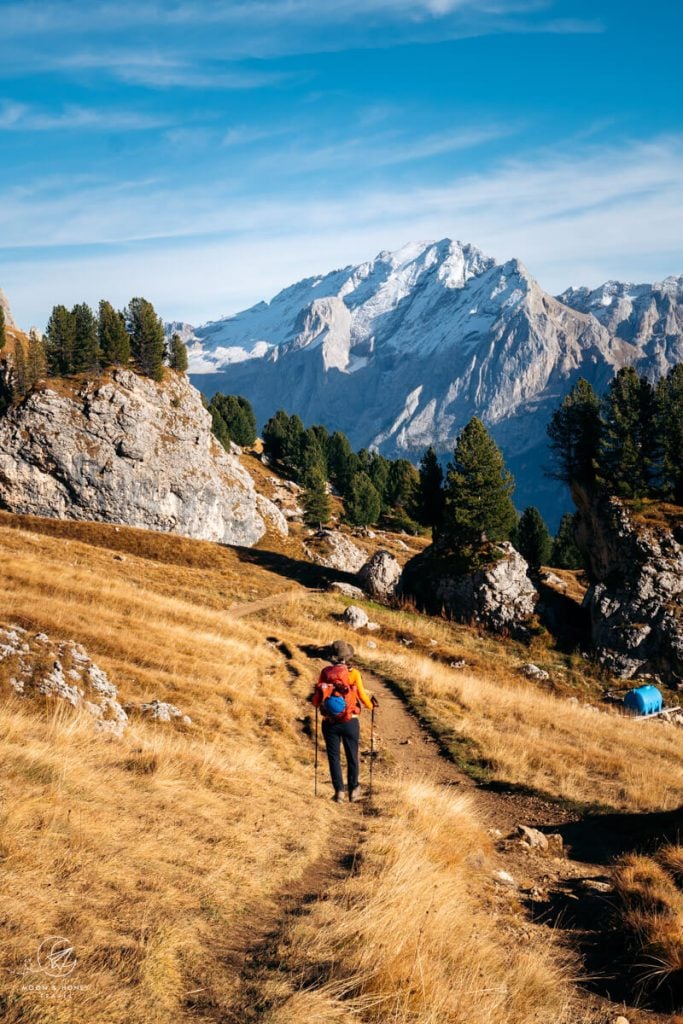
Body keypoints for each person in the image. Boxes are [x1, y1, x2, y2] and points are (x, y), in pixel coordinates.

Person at [312, 639, 378, 802]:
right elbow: (362, 695)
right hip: (350, 721)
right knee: (352, 756)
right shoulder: (354, 674)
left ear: (331, 657)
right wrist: (371, 706)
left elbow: (316, 700)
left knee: (333, 757)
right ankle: (354, 790)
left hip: (330, 723)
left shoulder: (325, 673)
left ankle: (339, 792)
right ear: (347, 657)